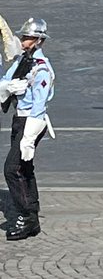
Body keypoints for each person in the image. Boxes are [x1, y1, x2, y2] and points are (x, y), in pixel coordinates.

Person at [1, 18, 54, 241]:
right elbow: (5, 79)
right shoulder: (23, 62)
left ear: (39, 41)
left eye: (28, 38)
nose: (23, 41)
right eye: (23, 37)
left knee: (12, 169)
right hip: (19, 118)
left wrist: (29, 138)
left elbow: (39, 107)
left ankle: (27, 217)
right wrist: (7, 88)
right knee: (24, 168)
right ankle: (31, 208)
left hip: (32, 121)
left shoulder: (41, 69)